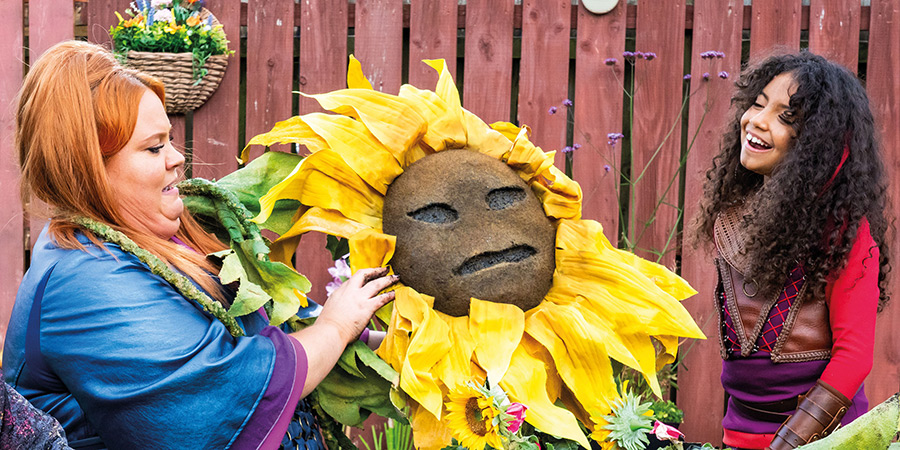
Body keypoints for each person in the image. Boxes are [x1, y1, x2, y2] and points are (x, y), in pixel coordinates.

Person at [2, 40, 397, 450]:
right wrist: (336, 326)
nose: (177, 158)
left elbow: (263, 323)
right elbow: (229, 387)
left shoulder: (150, 234)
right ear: (88, 169)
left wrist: (382, 340)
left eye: (169, 140)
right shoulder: (84, 280)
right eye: (154, 147)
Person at [694, 51, 890, 450]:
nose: (757, 121)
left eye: (786, 118)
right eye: (758, 103)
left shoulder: (843, 230)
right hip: (740, 436)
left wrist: (789, 443)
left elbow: (853, 357)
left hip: (829, 441)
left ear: (817, 144)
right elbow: (743, 357)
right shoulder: (733, 216)